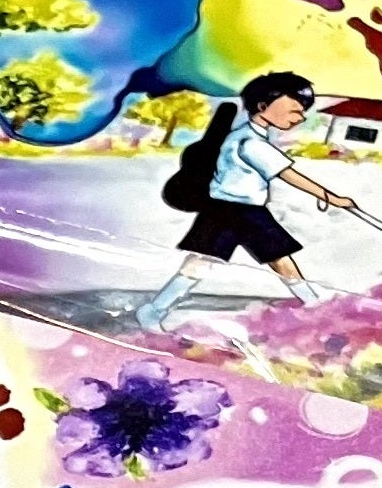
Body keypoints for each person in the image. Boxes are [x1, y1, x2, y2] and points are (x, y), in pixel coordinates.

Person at [134, 70, 355, 331]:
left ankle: (314, 305)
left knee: (273, 258)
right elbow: (288, 175)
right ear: (262, 107)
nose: (300, 117)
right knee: (210, 262)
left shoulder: (245, 136)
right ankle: (314, 305)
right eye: (293, 111)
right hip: (233, 210)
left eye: (301, 112)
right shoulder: (251, 143)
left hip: (236, 210)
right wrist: (331, 197)